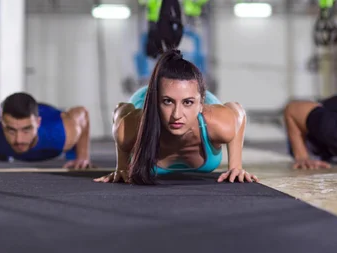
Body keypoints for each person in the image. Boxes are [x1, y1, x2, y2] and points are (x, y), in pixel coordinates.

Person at [94, 49, 258, 185]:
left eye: (187, 103)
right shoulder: (130, 128)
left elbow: (237, 111)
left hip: (196, 101)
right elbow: (120, 109)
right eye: (168, 102)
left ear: (202, 104)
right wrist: (121, 167)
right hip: (147, 99)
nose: (176, 115)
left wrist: (235, 166)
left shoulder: (219, 124)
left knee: (186, 97)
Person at [0, 92, 92, 170]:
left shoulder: (63, 132)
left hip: (50, 123)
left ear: (38, 123)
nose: (18, 139)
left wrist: (82, 157)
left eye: (26, 130)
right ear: (1, 123)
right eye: (11, 130)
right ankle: (2, 152)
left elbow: (82, 112)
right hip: (1, 141)